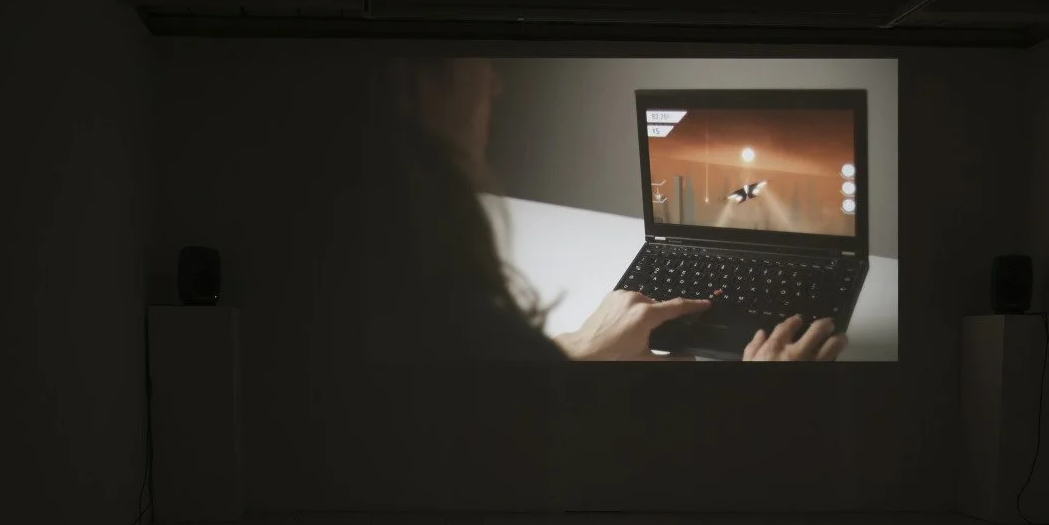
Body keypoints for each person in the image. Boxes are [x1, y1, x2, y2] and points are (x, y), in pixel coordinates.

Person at [354, 56, 847, 362]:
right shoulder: (439, 305)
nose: (495, 84)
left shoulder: (383, 266)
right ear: (418, 85)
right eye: (474, 56)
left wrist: (575, 350)